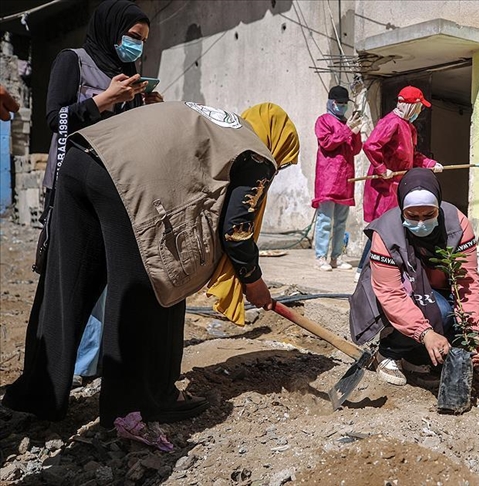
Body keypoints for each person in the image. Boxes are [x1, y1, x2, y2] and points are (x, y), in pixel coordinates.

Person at [3, 101, 299, 427]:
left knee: (67, 284)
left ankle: (36, 397)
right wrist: (253, 282)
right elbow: (236, 231)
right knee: (156, 285)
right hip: (124, 180)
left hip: (81, 154)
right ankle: (138, 403)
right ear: (278, 143)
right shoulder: (258, 154)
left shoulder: (223, 126)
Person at [42, 0, 163, 386]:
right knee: (73, 272)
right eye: (132, 37)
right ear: (112, 31)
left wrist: (147, 107)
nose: (137, 47)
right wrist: (102, 101)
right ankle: (63, 363)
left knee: (110, 275)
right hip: (72, 183)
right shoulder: (73, 60)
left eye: (142, 40)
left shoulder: (128, 73)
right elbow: (54, 118)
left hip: (116, 185)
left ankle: (92, 362)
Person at [349, 168, 479, 386]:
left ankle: (415, 358)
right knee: (439, 311)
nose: (421, 223)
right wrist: (424, 333)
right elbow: (390, 293)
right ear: (402, 209)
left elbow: (466, 281)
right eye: (413, 216)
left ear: (438, 207)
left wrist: (472, 331)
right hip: (398, 293)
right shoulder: (386, 233)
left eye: (429, 215)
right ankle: (389, 352)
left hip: (436, 288)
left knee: (448, 311)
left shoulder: (457, 225)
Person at [356, 86, 442, 283]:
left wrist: (430, 164)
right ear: (411, 106)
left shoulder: (407, 127)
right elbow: (371, 145)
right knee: (382, 228)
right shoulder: (391, 123)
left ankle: (391, 267)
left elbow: (413, 156)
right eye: (419, 107)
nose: (420, 111)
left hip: (397, 184)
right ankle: (363, 269)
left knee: (393, 227)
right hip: (384, 186)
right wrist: (381, 168)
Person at [312, 86, 364, 272]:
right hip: (328, 179)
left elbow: (355, 150)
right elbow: (327, 143)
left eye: (344, 104)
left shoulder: (346, 124)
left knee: (341, 222)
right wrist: (346, 130)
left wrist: (356, 132)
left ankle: (336, 257)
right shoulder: (323, 121)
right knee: (325, 220)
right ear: (331, 102)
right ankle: (320, 257)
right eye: (339, 103)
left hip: (345, 179)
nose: (342, 107)